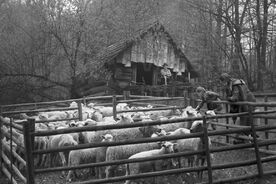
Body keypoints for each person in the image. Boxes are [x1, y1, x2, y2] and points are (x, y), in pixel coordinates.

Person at [219, 73, 257, 142]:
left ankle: (245, 138)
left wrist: (228, 98)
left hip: (248, 101)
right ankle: (243, 138)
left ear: (226, 79)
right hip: (244, 102)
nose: (222, 83)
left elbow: (235, 97)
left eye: (222, 81)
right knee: (244, 119)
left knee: (246, 119)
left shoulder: (235, 84)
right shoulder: (230, 84)